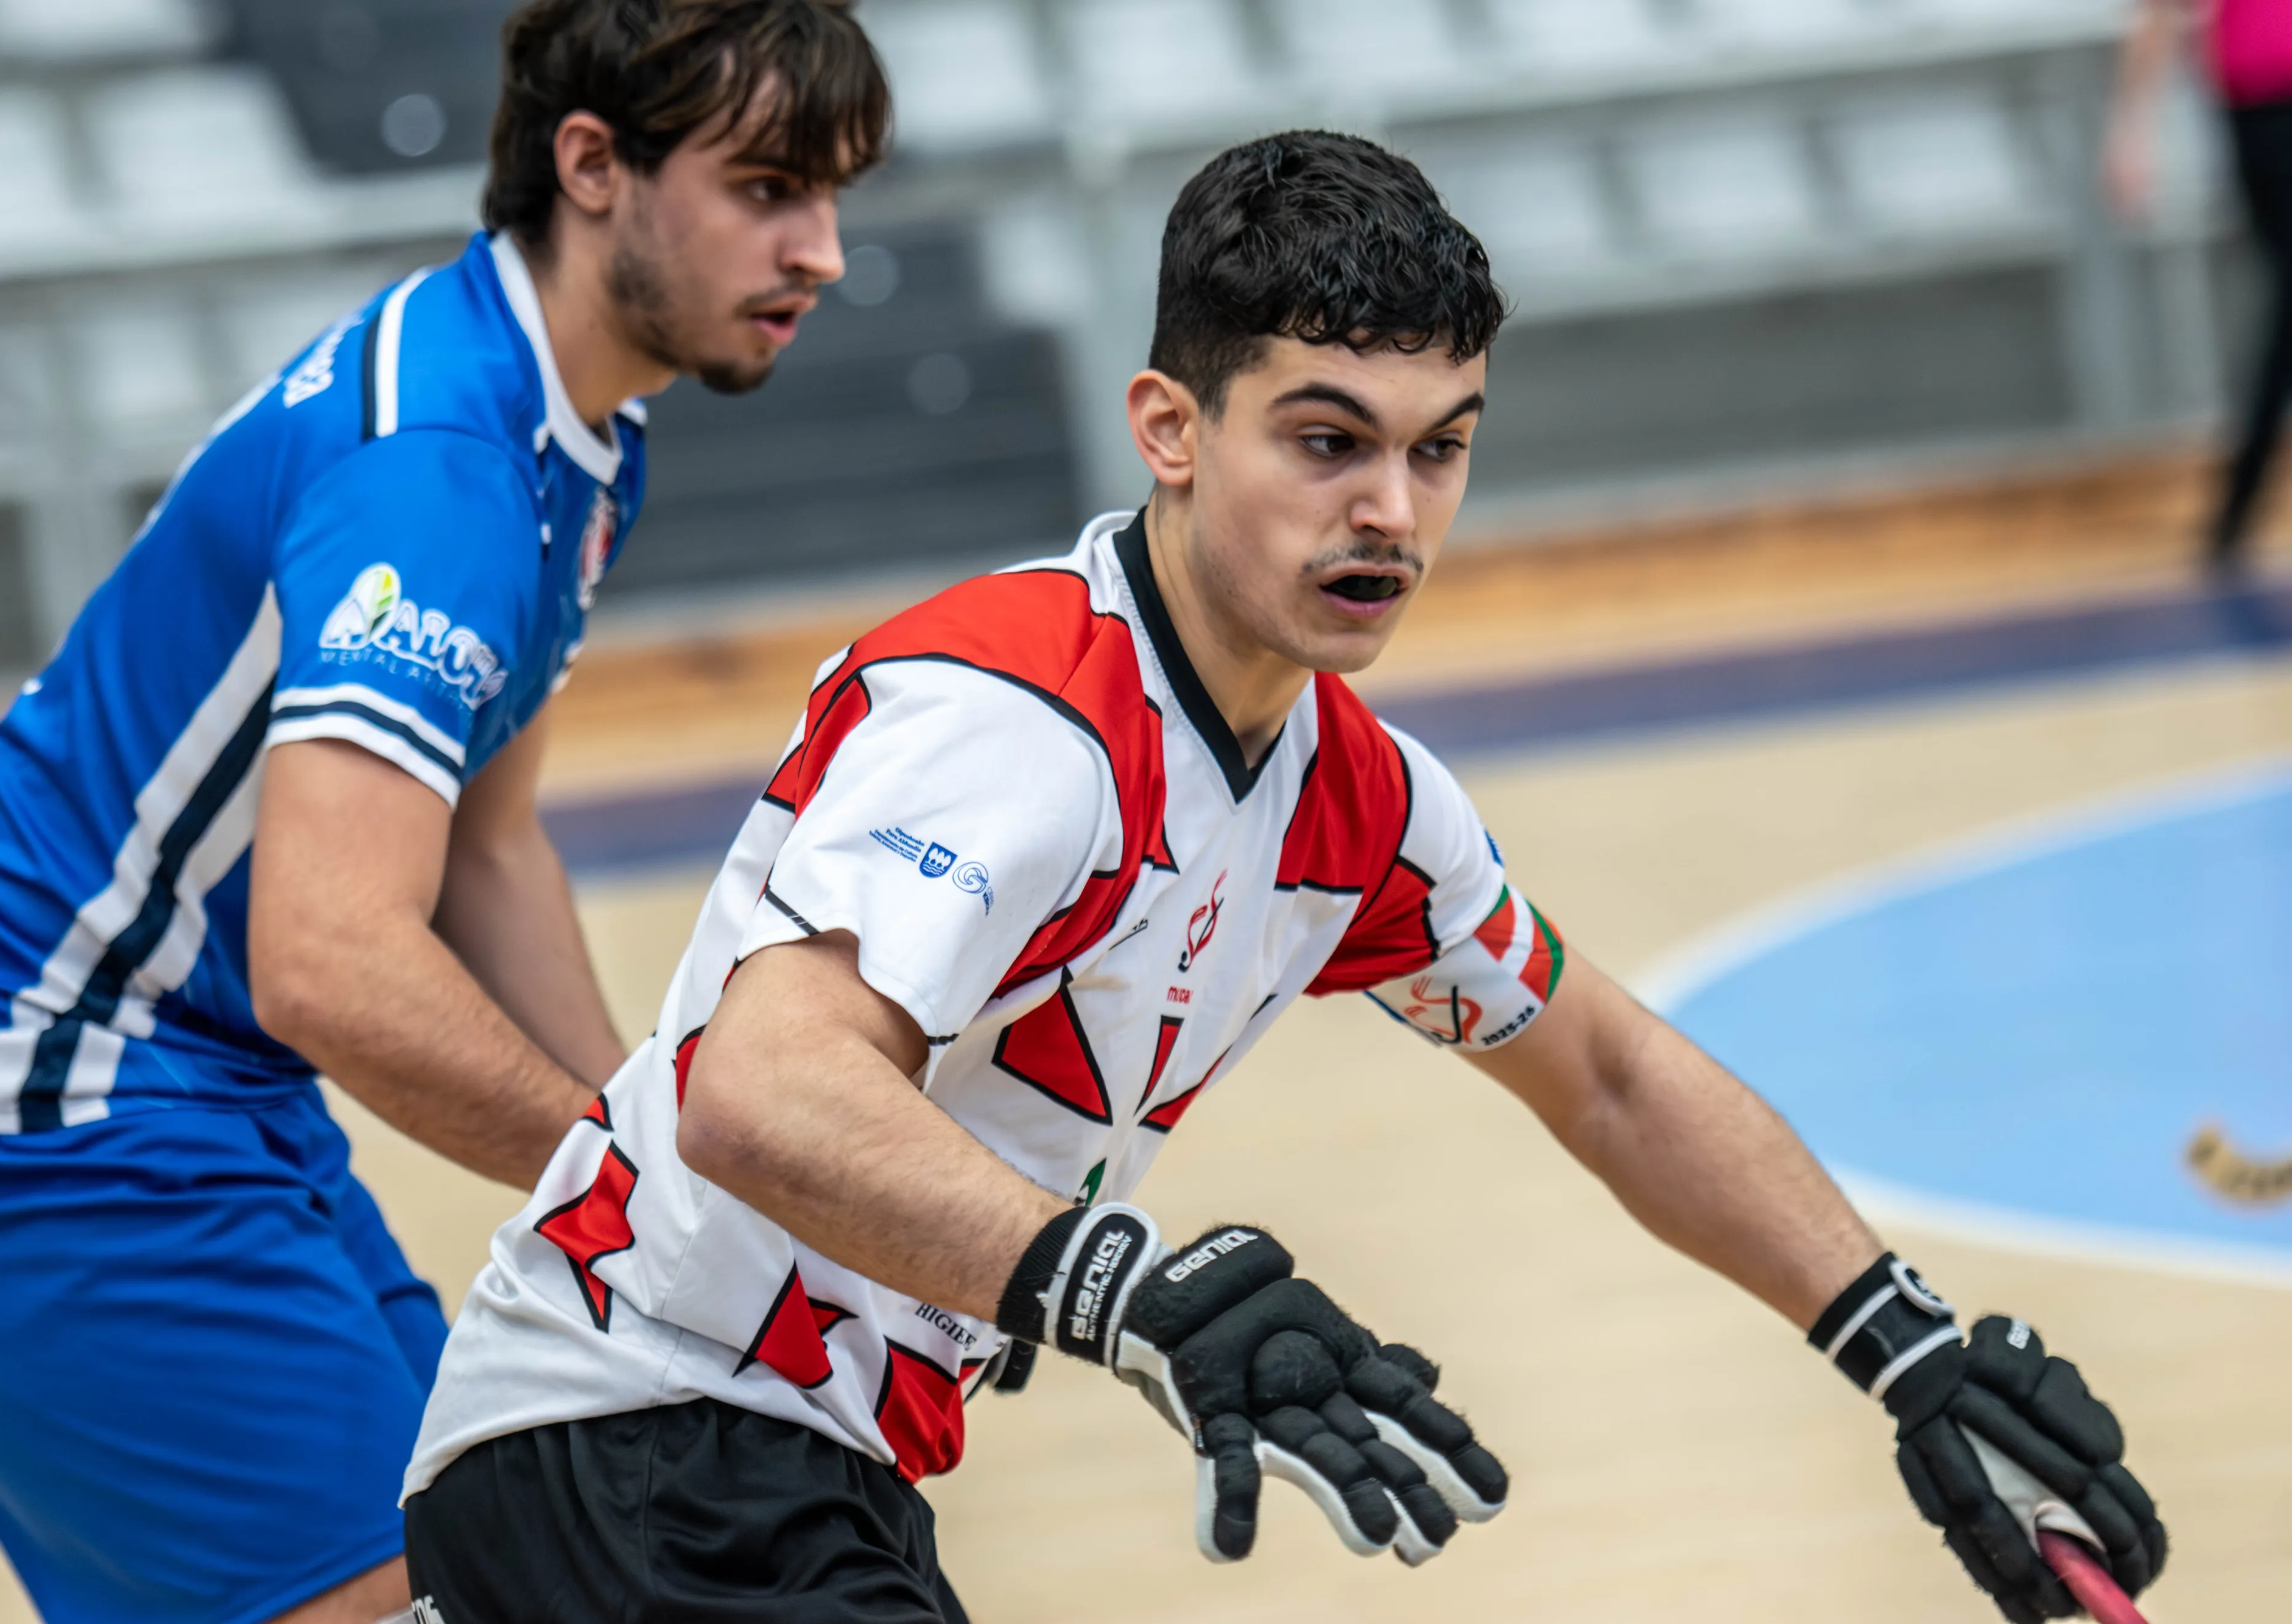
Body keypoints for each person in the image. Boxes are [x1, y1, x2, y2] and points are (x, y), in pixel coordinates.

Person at [400, 132, 2168, 1623]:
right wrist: (1128, 1292)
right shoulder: (1018, 715)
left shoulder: (1362, 805)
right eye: (1328, 441)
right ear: (1170, 428)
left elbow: (1613, 1076)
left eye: (1439, 445)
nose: (1391, 508)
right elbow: (758, 1088)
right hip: (639, 1441)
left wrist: (1903, 1347)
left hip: (781, 1473)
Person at [0, 4, 887, 1622]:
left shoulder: (569, 431)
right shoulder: (441, 464)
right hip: (50, 1109)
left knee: (491, 1563)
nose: (820, 248)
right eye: (767, 188)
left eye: (830, 194)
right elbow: (329, 963)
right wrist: (655, 1206)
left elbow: (488, 845)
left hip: (190, 1086)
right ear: (592, 166)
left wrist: (661, 1159)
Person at [2110, 0, 2292, 571]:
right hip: (2261, 109)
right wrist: (2133, 127)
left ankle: (2237, 505)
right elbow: (2160, 11)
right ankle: (2238, 503)